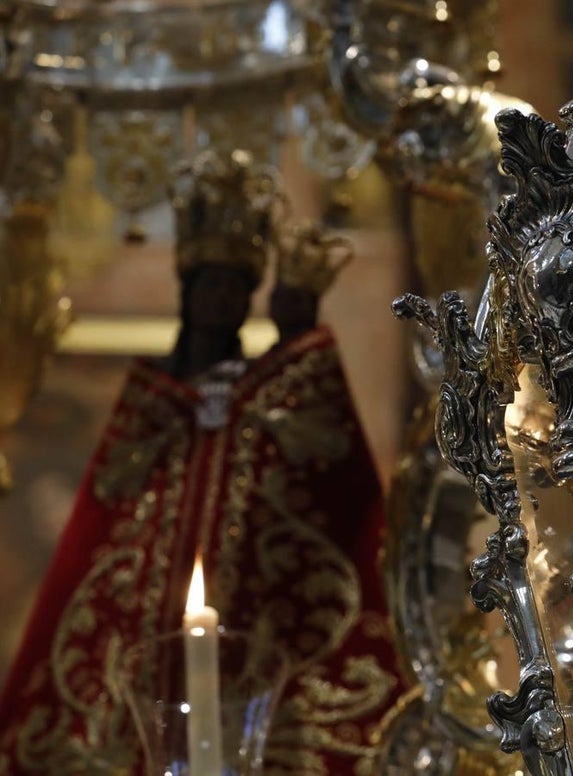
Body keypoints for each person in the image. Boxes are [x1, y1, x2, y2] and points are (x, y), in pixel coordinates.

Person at [0, 150, 405, 775]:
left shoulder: (276, 391)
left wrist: (299, 344)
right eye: (211, 284)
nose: (223, 300)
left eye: (236, 288)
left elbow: (325, 477)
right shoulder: (152, 398)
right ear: (188, 290)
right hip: (139, 668)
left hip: (260, 646)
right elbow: (105, 526)